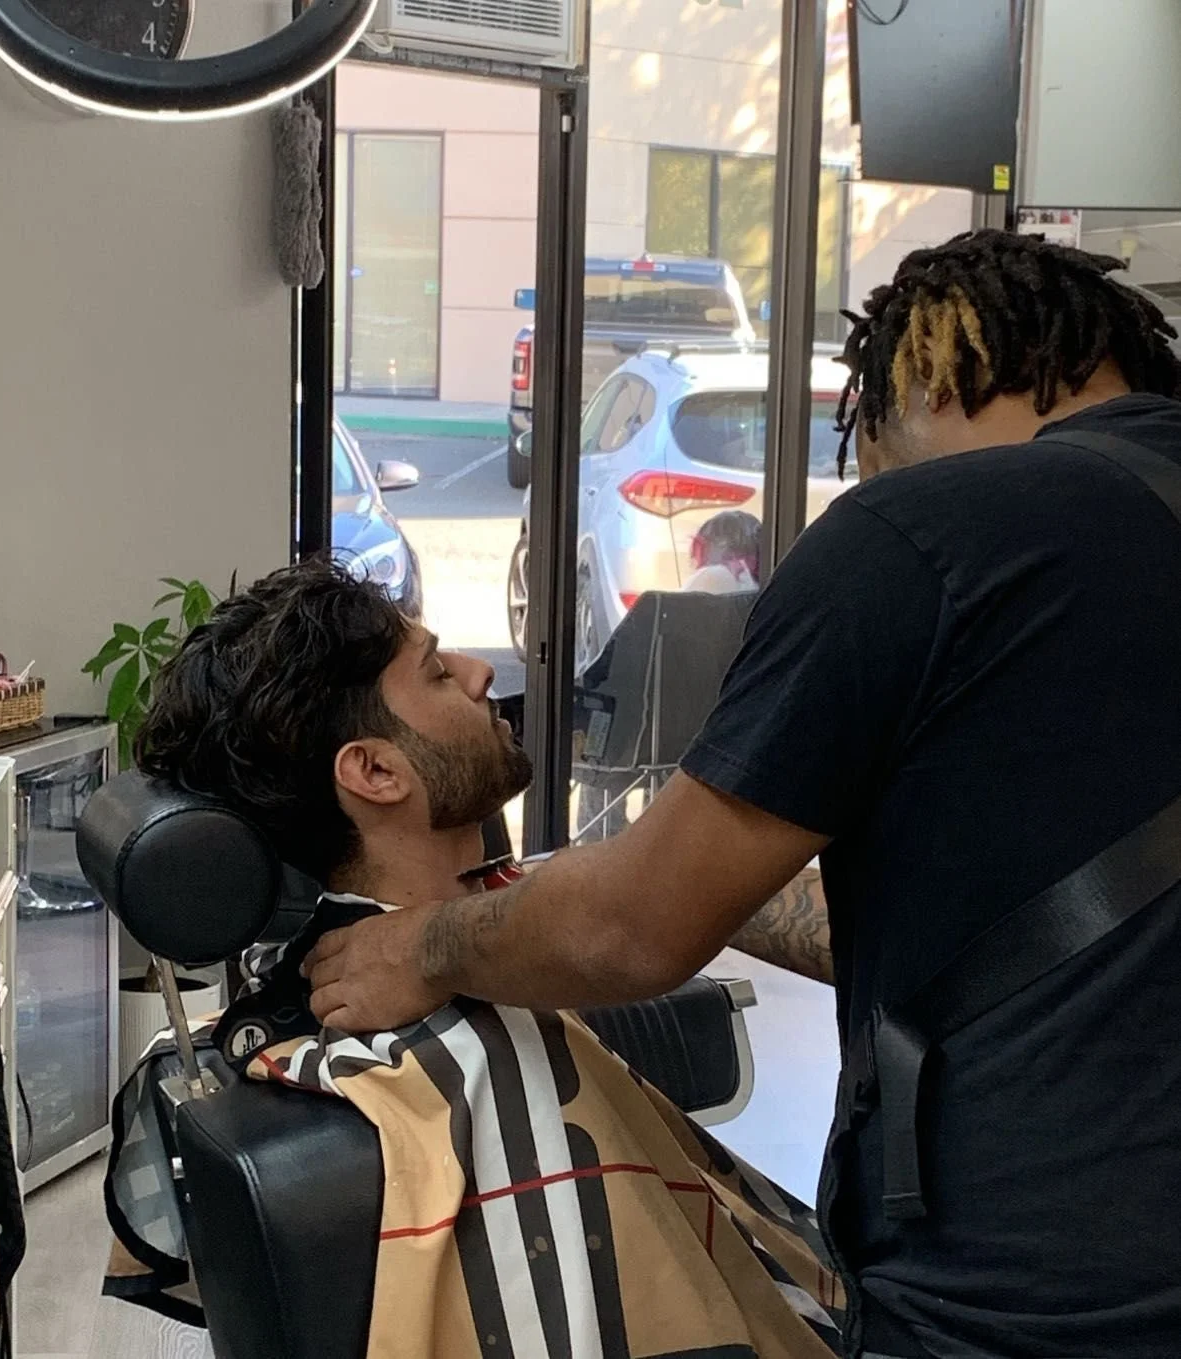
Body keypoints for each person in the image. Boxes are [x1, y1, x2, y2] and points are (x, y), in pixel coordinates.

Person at [304, 230, 1181, 1359]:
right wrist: (622, 887)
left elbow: (631, 929)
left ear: (926, 376)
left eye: (870, 459)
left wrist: (425, 946)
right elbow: (1019, 905)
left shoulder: (926, 533)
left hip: (1041, 1304)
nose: (871, 489)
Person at [112, 559, 844, 1359]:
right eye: (436, 671)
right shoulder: (454, 1065)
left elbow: (637, 897)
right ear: (376, 771)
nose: (480, 671)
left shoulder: (339, 982)